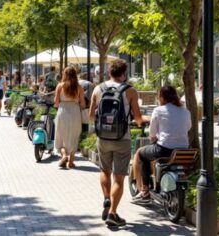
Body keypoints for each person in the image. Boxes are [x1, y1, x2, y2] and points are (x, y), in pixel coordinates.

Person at [88, 60, 143, 227]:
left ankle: (106, 198)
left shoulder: (98, 89)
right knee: (118, 177)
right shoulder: (130, 91)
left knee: (105, 170)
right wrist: (141, 122)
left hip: (103, 138)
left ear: (109, 72)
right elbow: (138, 118)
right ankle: (112, 212)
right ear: (124, 73)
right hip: (122, 138)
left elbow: (91, 116)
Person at [131, 86, 191, 204]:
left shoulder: (158, 110)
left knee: (141, 154)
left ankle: (144, 191)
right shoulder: (185, 111)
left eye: (159, 96)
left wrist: (153, 137)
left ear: (162, 98)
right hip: (183, 149)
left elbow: (152, 132)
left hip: (164, 149)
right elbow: (188, 127)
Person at [53, 67, 86, 169]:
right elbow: (83, 104)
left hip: (63, 111)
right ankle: (71, 162)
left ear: (64, 74)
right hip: (75, 112)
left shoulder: (60, 86)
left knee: (61, 136)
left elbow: (56, 103)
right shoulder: (79, 87)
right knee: (74, 136)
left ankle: (63, 156)